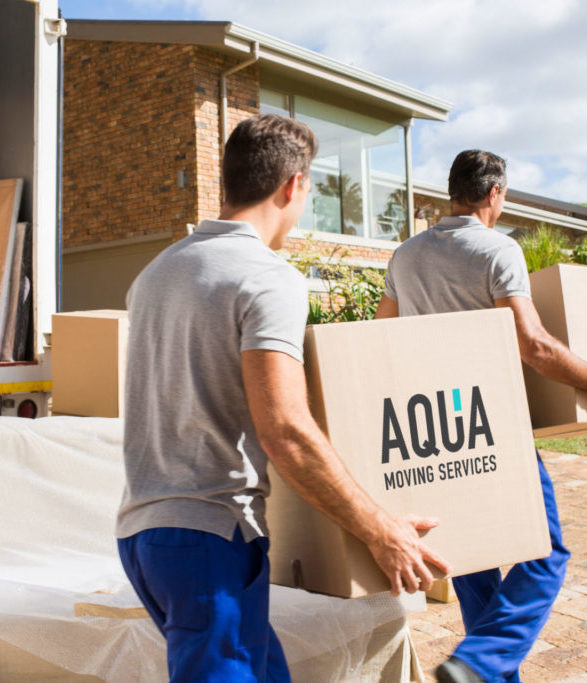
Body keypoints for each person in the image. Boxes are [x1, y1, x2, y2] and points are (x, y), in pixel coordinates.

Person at [115, 113, 452, 682]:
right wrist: (380, 529)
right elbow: (286, 430)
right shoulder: (267, 277)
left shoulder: (155, 274)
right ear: (293, 185)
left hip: (144, 534)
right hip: (210, 539)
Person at [375, 149, 584, 683]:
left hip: (435, 428)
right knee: (548, 550)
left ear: (452, 192)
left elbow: (379, 338)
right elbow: (534, 346)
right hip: (492, 421)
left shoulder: (405, 256)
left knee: (473, 559)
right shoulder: (497, 249)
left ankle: (482, 671)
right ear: (495, 194)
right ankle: (480, 660)